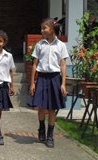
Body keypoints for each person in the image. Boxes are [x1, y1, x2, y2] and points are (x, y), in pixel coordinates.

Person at [27, 18, 69, 148]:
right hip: (42, 78)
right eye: (41, 28)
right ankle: (41, 129)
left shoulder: (61, 45)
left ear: (52, 29)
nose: (42, 30)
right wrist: (33, 83)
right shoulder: (39, 45)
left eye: (44, 28)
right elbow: (35, 64)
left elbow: (63, 65)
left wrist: (63, 84)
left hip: (55, 78)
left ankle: (50, 135)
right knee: (41, 106)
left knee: (52, 108)